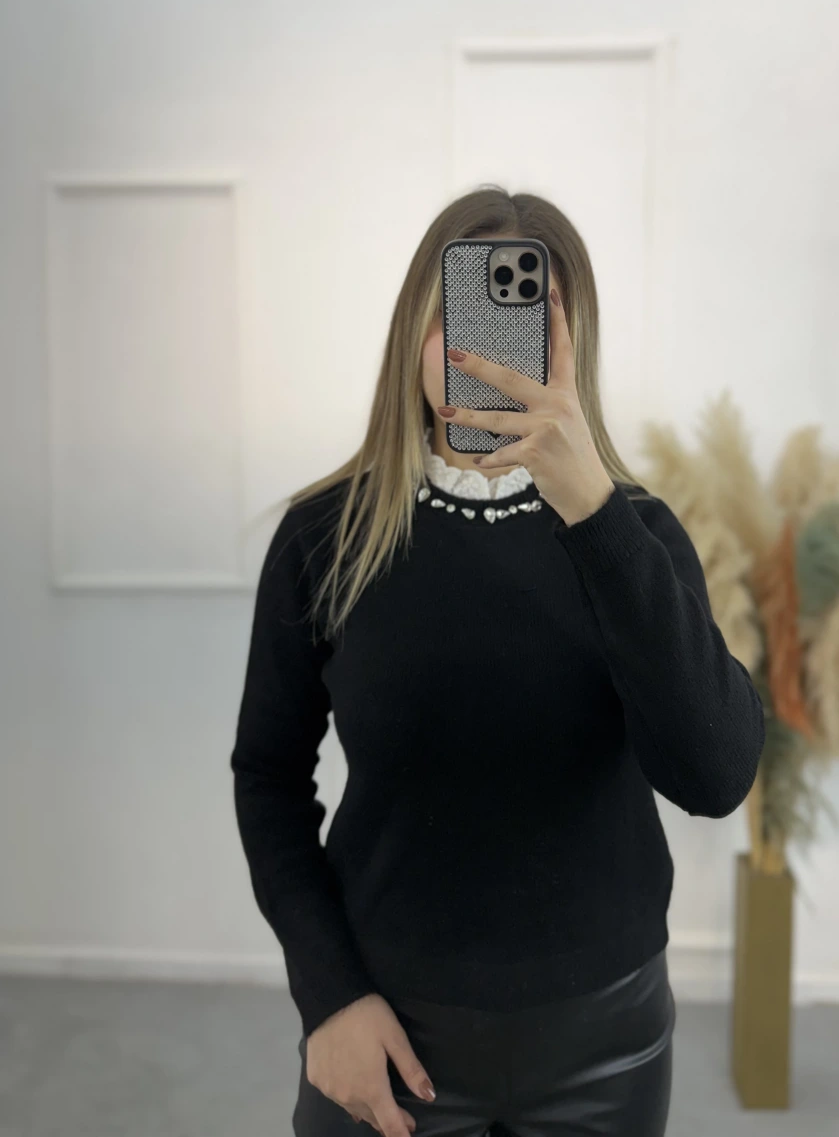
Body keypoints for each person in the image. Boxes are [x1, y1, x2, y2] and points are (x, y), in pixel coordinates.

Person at [230, 187, 766, 1137]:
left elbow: (716, 776)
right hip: (384, 1031)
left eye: (522, 322)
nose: (484, 353)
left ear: (571, 348)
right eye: (461, 314)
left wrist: (594, 513)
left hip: (606, 1048)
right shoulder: (327, 535)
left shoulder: (635, 534)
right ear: (415, 333)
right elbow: (268, 775)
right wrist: (327, 994)